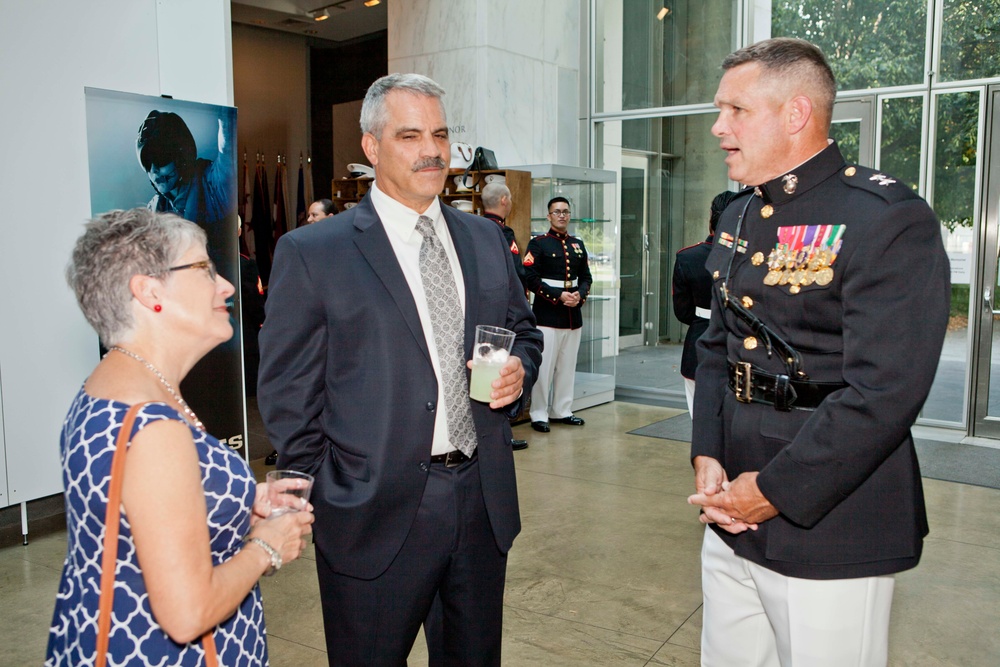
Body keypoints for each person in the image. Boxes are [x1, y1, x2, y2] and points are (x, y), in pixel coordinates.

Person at [257, 73, 543, 666]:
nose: (432, 150)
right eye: (410, 135)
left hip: (481, 501)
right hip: (373, 514)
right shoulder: (315, 253)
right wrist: (331, 494)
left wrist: (518, 369)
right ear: (371, 147)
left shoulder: (486, 240)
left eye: (439, 134)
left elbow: (523, 331)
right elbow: (288, 392)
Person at [687, 38, 950, 666]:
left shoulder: (884, 217)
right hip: (731, 504)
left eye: (736, 111)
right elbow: (718, 345)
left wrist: (773, 490)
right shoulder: (742, 215)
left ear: (796, 113)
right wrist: (707, 450)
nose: (719, 128)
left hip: (829, 508)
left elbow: (883, 392)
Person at [47, 208, 314, 666]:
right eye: (204, 269)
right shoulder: (155, 427)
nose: (226, 285)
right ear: (149, 291)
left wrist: (239, 498)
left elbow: (132, 516)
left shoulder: (109, 387)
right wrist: (267, 545)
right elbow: (188, 614)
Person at [523, 196, 592, 433]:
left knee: (567, 366)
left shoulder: (577, 244)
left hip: (573, 316)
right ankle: (539, 413)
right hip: (547, 315)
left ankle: (562, 410)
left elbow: (586, 277)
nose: (562, 215)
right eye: (557, 211)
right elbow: (530, 278)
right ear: (549, 216)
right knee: (544, 368)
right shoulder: (538, 244)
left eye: (565, 211)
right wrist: (558, 295)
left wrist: (579, 295)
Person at [136, 110, 236, 271]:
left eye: (161, 159)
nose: (154, 171)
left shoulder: (213, 186)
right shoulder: (153, 212)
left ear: (182, 156)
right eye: (148, 163)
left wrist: (224, 113)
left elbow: (228, 148)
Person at [671, 190, 738, 416]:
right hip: (739, 341)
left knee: (698, 418)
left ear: (711, 216)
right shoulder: (749, 256)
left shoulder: (688, 257)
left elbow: (682, 311)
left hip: (700, 337)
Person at [481, 181, 529, 451]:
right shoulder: (501, 233)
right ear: (503, 201)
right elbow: (515, 273)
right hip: (504, 312)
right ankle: (504, 432)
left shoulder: (476, 229)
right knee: (500, 375)